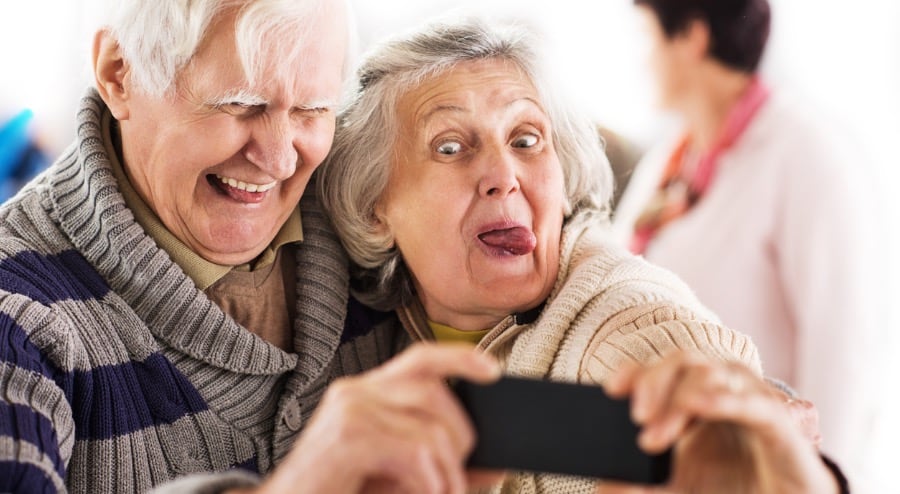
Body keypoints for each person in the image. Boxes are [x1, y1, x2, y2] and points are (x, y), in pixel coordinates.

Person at [319, 16, 845, 493]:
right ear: (373, 209)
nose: (504, 177)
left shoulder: (631, 329)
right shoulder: (363, 330)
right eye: (451, 147)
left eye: (526, 140)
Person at [0, 1, 506, 492]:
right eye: (240, 104)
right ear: (119, 73)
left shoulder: (364, 204)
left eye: (312, 110)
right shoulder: (16, 309)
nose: (281, 159)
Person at [611, 0, 884, 484]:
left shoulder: (809, 156)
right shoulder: (670, 160)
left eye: (645, 38)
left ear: (691, 37)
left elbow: (843, 358)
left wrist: (820, 482)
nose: (639, 60)